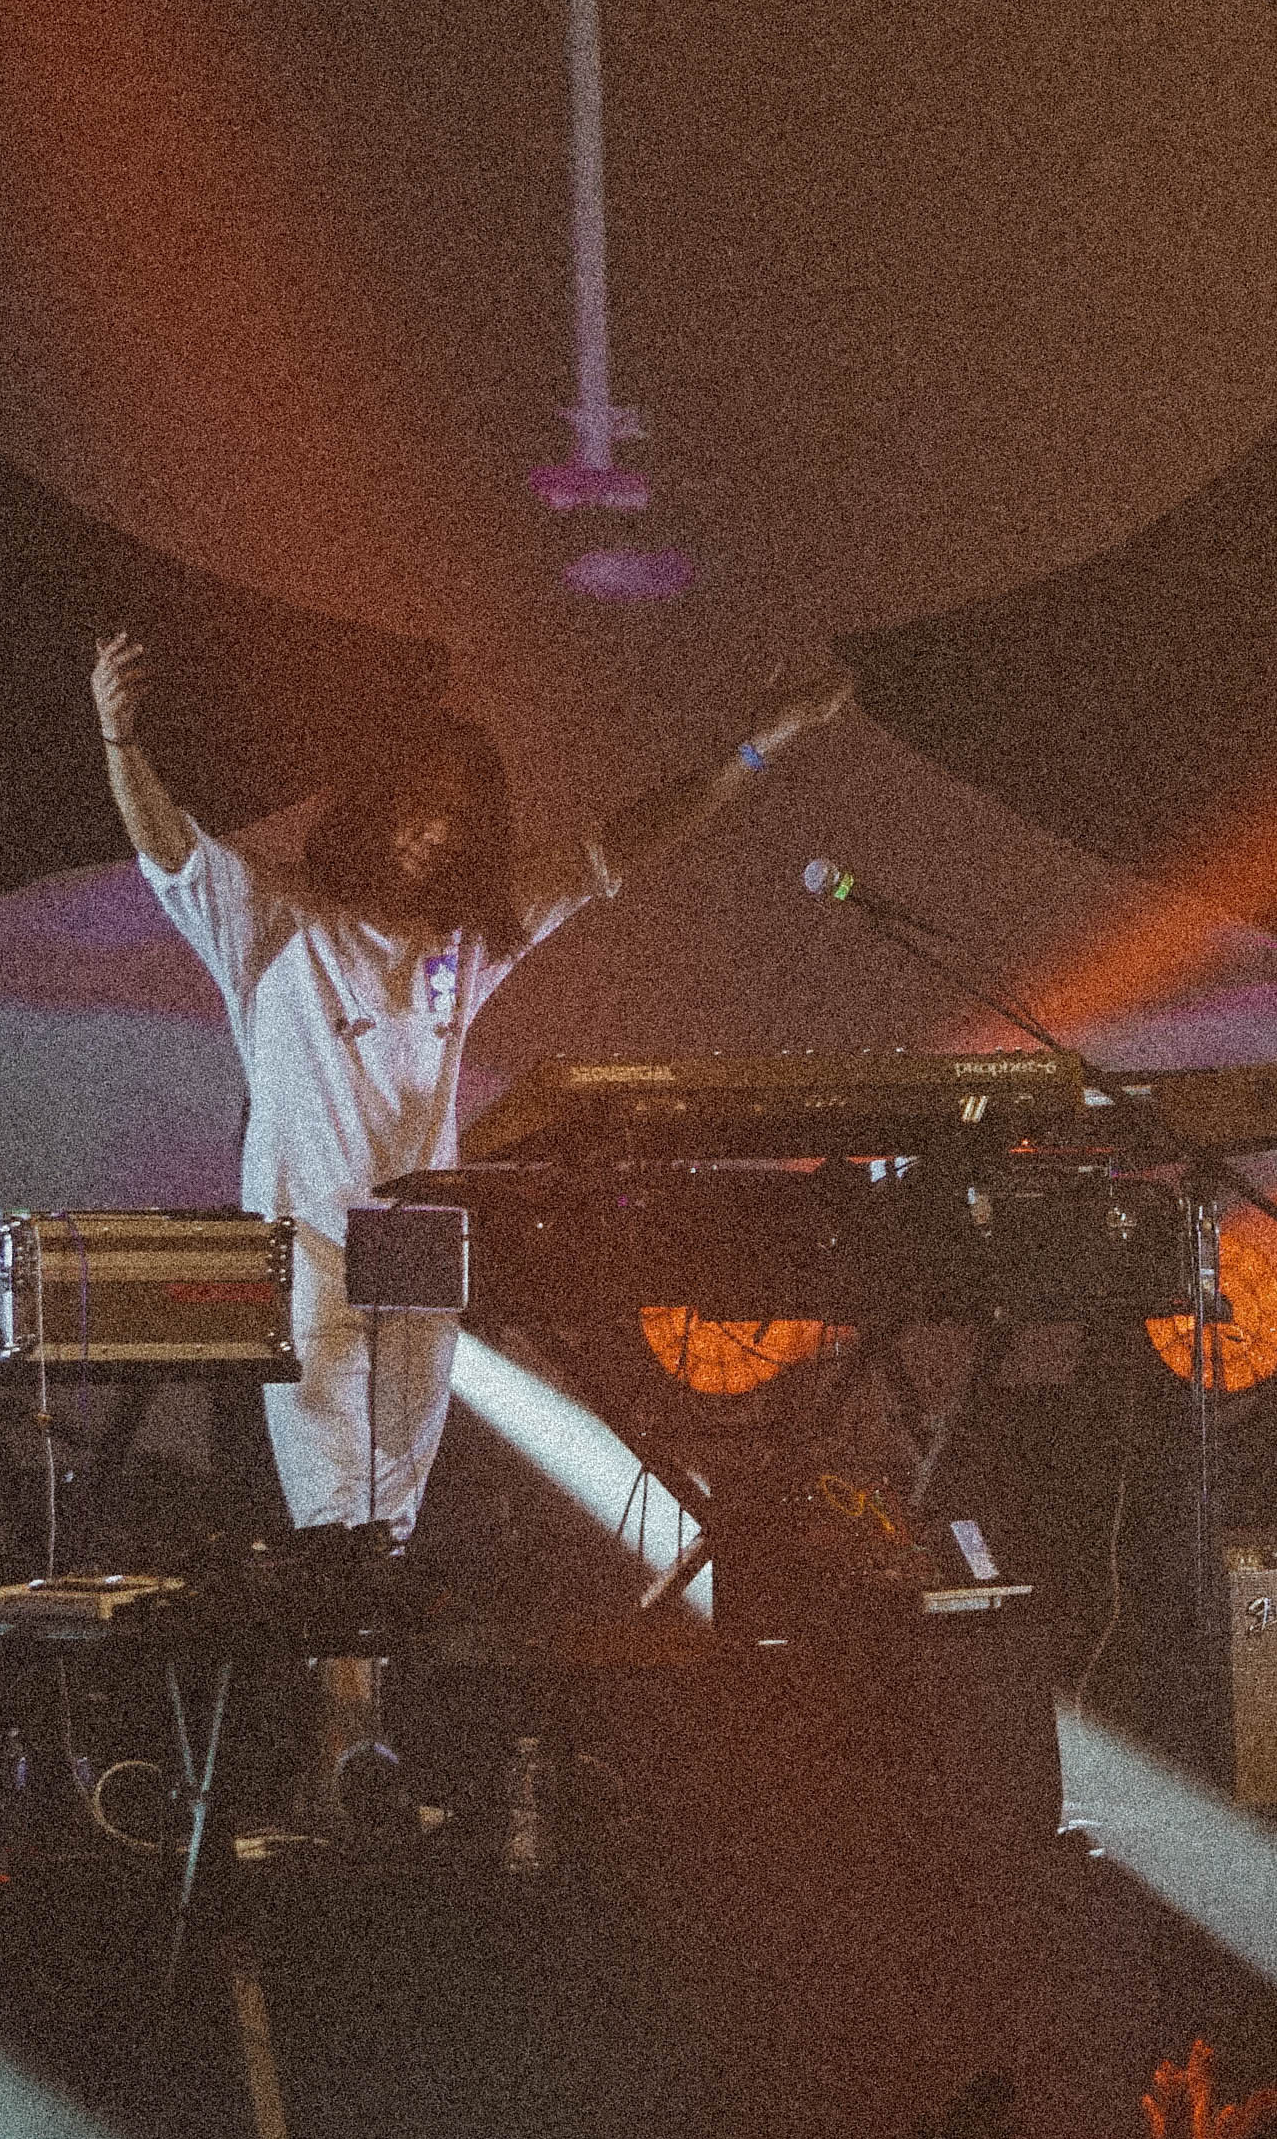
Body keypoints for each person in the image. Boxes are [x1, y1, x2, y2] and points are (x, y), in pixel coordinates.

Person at [91, 628, 853, 1537]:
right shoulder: (276, 919)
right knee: (333, 1516)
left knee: (394, 1521)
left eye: (459, 816)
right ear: (378, 804)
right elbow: (172, 850)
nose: (438, 832)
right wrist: (120, 740)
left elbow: (614, 852)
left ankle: (373, 1631)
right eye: (420, 807)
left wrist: (757, 746)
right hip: (308, 1249)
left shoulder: (467, 940)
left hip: (419, 1246)